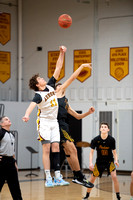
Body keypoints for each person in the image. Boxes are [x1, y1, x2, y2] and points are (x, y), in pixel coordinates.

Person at [22, 45, 69, 188]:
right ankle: (48, 177)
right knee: (46, 148)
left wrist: (62, 53)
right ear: (37, 84)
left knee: (56, 147)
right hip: (44, 123)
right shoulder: (38, 95)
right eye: (40, 78)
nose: (43, 78)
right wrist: (26, 114)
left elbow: (58, 68)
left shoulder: (50, 86)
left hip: (54, 122)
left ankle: (58, 177)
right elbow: (31, 105)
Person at [55, 63, 95, 188]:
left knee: (70, 150)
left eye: (63, 86)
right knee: (72, 149)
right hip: (58, 124)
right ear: (56, 89)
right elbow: (72, 78)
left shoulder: (65, 101)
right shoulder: (56, 95)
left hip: (63, 125)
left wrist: (88, 112)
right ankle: (79, 176)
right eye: (60, 86)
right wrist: (82, 66)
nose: (63, 87)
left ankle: (77, 176)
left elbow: (77, 116)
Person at [83, 122, 121, 200]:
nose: (103, 128)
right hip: (99, 162)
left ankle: (118, 196)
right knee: (92, 179)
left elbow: (114, 152)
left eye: (105, 127)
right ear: (100, 129)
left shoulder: (111, 139)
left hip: (109, 161)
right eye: (102, 127)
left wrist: (116, 160)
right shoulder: (95, 139)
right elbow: (91, 152)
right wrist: (90, 163)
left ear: (108, 129)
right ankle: (87, 195)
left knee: (114, 177)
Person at [0, 116, 23, 200]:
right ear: (1, 124)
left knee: (15, 187)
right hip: (2, 163)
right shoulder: (1, 133)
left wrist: (15, 163)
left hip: (11, 163)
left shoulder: (12, 135)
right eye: (6, 119)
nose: (9, 120)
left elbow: (12, 150)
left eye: (9, 119)